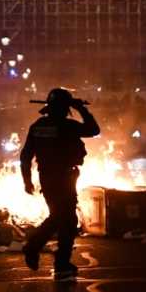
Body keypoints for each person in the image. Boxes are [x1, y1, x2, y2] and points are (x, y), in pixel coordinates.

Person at [20, 88, 100, 281]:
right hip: (64, 178)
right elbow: (93, 130)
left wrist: (27, 180)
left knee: (63, 218)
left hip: (47, 178)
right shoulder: (68, 126)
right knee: (63, 219)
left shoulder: (38, 126)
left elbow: (25, 156)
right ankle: (39, 248)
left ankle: (60, 262)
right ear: (65, 108)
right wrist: (81, 108)